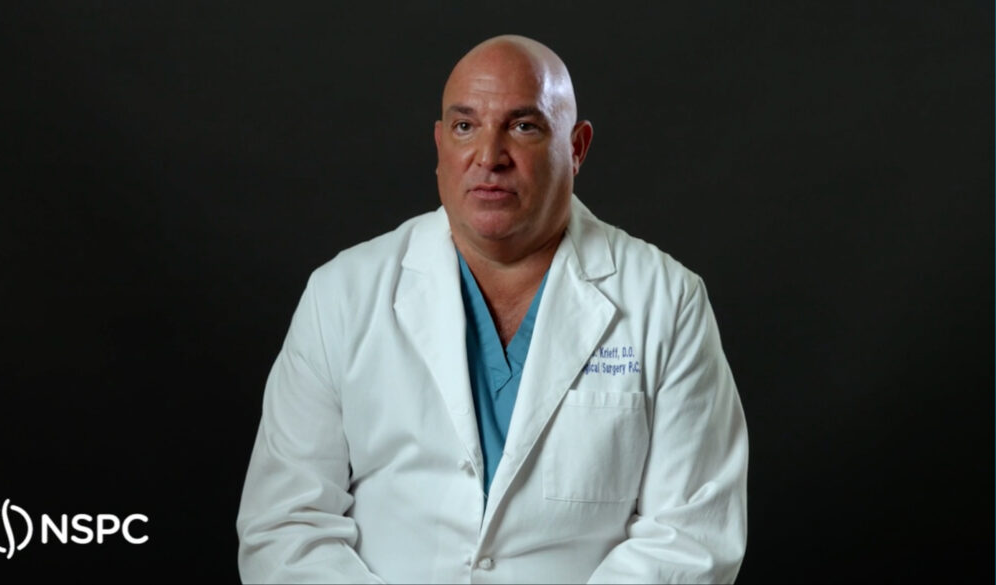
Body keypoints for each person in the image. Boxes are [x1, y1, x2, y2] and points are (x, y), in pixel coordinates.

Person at [236, 34, 748, 584]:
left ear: (576, 147)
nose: (489, 157)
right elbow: (287, 526)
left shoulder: (666, 301)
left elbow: (692, 536)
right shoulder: (341, 294)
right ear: (440, 145)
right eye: (465, 126)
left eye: (523, 126)